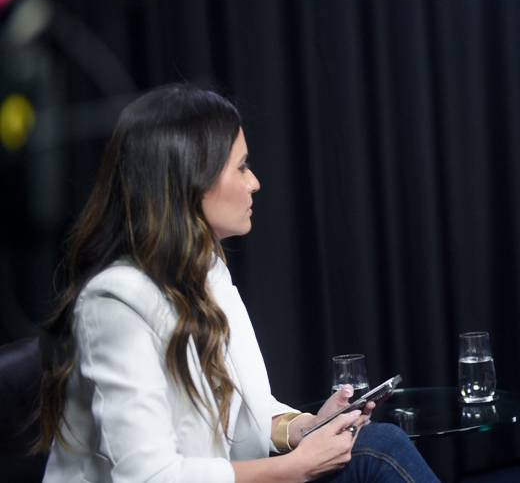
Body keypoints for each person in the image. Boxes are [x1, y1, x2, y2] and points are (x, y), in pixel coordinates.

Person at [37, 84, 438, 482]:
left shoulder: (206, 268)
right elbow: (150, 476)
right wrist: (293, 469)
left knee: (379, 445)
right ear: (192, 180)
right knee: (380, 455)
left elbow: (252, 412)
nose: (255, 183)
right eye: (242, 167)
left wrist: (305, 428)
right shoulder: (113, 305)